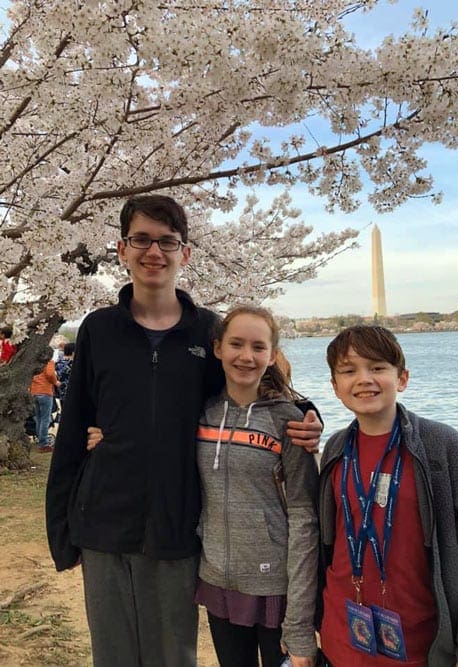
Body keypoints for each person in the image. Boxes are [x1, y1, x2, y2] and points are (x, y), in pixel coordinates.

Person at [45, 194, 322, 667]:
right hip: (104, 519)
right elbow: (73, 429)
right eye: (142, 240)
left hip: (179, 524)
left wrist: (307, 412)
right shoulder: (98, 329)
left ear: (185, 253)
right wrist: (61, 530)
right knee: (111, 655)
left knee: (174, 655)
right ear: (122, 249)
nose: (154, 252)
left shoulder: (206, 331)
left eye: (167, 241)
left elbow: (248, 387)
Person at [317, 325, 458, 666]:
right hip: (341, 637)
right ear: (335, 387)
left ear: (402, 378)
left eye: (377, 367)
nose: (363, 379)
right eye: (348, 371)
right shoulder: (336, 449)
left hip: (421, 645)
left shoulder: (442, 447)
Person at [195, 306, 319, 667]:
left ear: (272, 354)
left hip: (275, 586)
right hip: (217, 579)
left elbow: (303, 516)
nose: (246, 356)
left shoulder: (290, 422)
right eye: (236, 344)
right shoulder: (201, 412)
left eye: (258, 347)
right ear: (218, 348)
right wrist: (104, 436)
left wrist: (298, 620)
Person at [30, 351, 59, 452]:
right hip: (45, 391)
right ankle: (43, 444)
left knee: (38, 418)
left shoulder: (34, 362)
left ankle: (40, 440)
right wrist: (56, 382)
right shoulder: (49, 362)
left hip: (34, 391)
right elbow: (50, 373)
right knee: (45, 419)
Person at [55, 342, 75, 412]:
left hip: (61, 391)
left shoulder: (57, 362)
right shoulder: (72, 364)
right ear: (73, 352)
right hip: (72, 393)